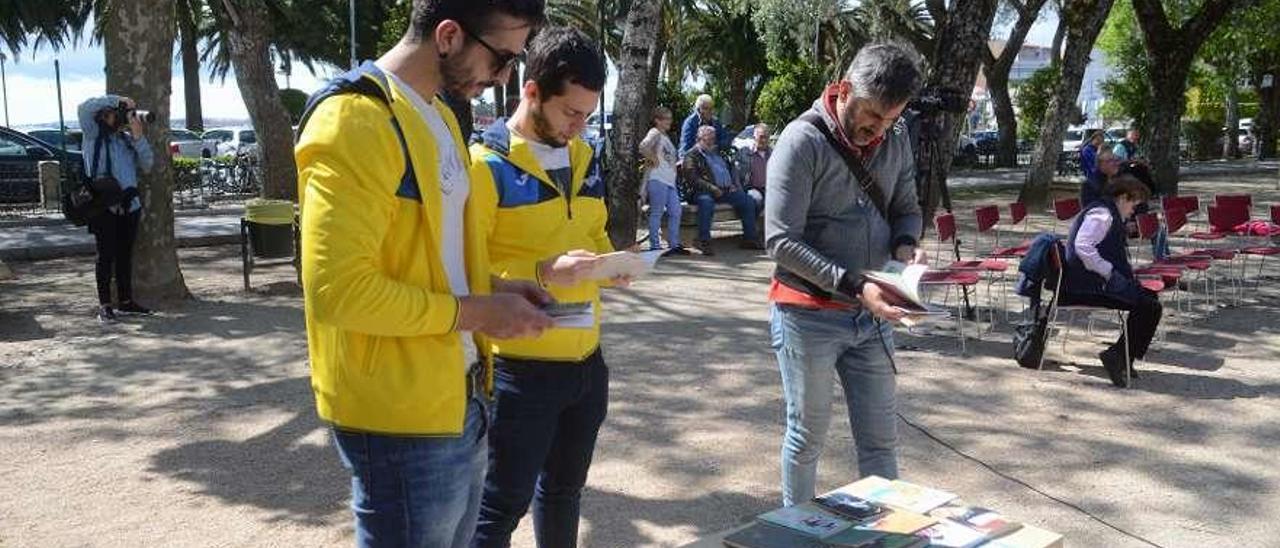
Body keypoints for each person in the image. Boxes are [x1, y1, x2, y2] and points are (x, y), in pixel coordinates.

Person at [294, 1, 552, 546]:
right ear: (449, 35)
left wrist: (496, 289)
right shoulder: (354, 119)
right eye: (503, 58)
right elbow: (337, 291)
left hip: (457, 397)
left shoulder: (438, 117)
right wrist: (479, 310)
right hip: (398, 415)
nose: (505, 77)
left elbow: (431, 258)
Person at [468, 28, 624, 548]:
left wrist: (612, 265)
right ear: (531, 91)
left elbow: (594, 233)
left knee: (564, 493)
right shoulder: (484, 166)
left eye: (587, 114)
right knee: (499, 507)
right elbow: (465, 271)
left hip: (586, 362)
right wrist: (541, 272)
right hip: (518, 368)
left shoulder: (583, 157)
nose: (579, 127)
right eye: (570, 113)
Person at [765, 43, 925, 506]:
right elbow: (780, 240)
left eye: (890, 119)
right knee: (807, 437)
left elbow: (907, 207)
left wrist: (905, 248)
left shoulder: (895, 140)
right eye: (871, 114)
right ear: (843, 89)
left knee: (880, 442)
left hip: (871, 320)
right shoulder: (801, 141)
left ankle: (890, 532)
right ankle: (796, 533)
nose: (876, 128)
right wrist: (857, 284)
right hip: (807, 315)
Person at [1061, 174, 1163, 388]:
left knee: (1150, 300)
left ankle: (1124, 356)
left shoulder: (1108, 213)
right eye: (1134, 204)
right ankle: (1117, 356)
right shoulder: (1102, 214)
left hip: (1092, 281)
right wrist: (1109, 272)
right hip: (1085, 285)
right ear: (1123, 198)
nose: (1134, 209)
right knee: (1148, 306)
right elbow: (1083, 247)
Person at [77, 95, 155, 323]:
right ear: (103, 116)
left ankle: (126, 301)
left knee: (124, 255)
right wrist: (119, 100)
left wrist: (138, 135)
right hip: (103, 206)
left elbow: (148, 164)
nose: (118, 118)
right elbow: (83, 107)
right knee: (105, 256)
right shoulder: (92, 136)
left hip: (130, 205)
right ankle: (105, 305)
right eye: (114, 114)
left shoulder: (127, 140)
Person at [682, 125, 762, 256]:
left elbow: (727, 171)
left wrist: (731, 184)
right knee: (706, 203)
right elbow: (693, 179)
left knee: (747, 200)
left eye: (713, 139)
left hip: (724, 191)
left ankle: (750, 238)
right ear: (699, 139)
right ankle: (703, 241)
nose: (711, 142)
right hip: (701, 192)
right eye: (708, 139)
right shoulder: (692, 155)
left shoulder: (716, 153)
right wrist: (712, 188)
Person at [639, 106, 688, 254]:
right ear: (657, 120)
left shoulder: (665, 137)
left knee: (676, 211)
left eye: (670, 118)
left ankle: (674, 244)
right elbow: (643, 146)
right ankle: (655, 245)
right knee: (657, 212)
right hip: (657, 178)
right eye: (666, 118)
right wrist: (653, 158)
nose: (670, 121)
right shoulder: (655, 132)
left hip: (669, 180)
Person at [736, 122, 772, 211]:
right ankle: (754, 224)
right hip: (751, 188)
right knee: (757, 199)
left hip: (769, 188)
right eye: (761, 137)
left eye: (766, 137)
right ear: (754, 137)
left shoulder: (773, 153)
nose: (763, 140)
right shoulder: (744, 152)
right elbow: (736, 173)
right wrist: (740, 190)